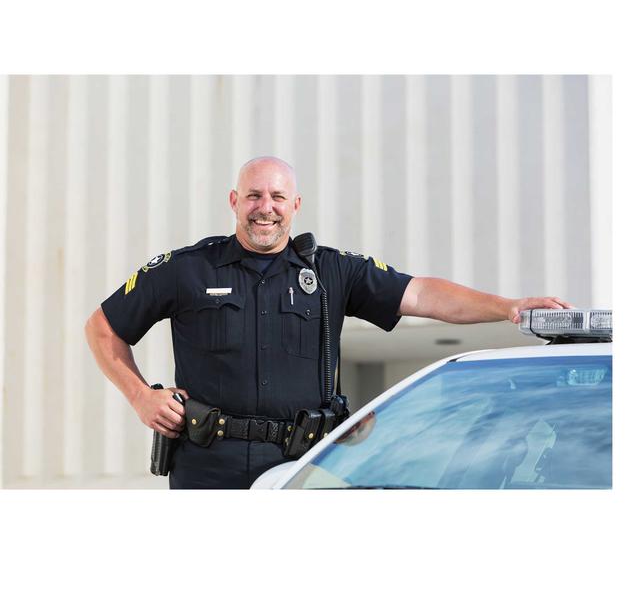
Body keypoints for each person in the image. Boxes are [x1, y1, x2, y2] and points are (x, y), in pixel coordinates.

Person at [85, 156, 572, 489]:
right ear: (234, 201)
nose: (266, 207)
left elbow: (420, 292)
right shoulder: (186, 268)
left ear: (295, 206)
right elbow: (103, 327)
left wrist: (508, 306)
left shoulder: (331, 270)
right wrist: (139, 396)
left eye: (278, 196)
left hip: (303, 465)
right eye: (254, 195)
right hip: (208, 465)